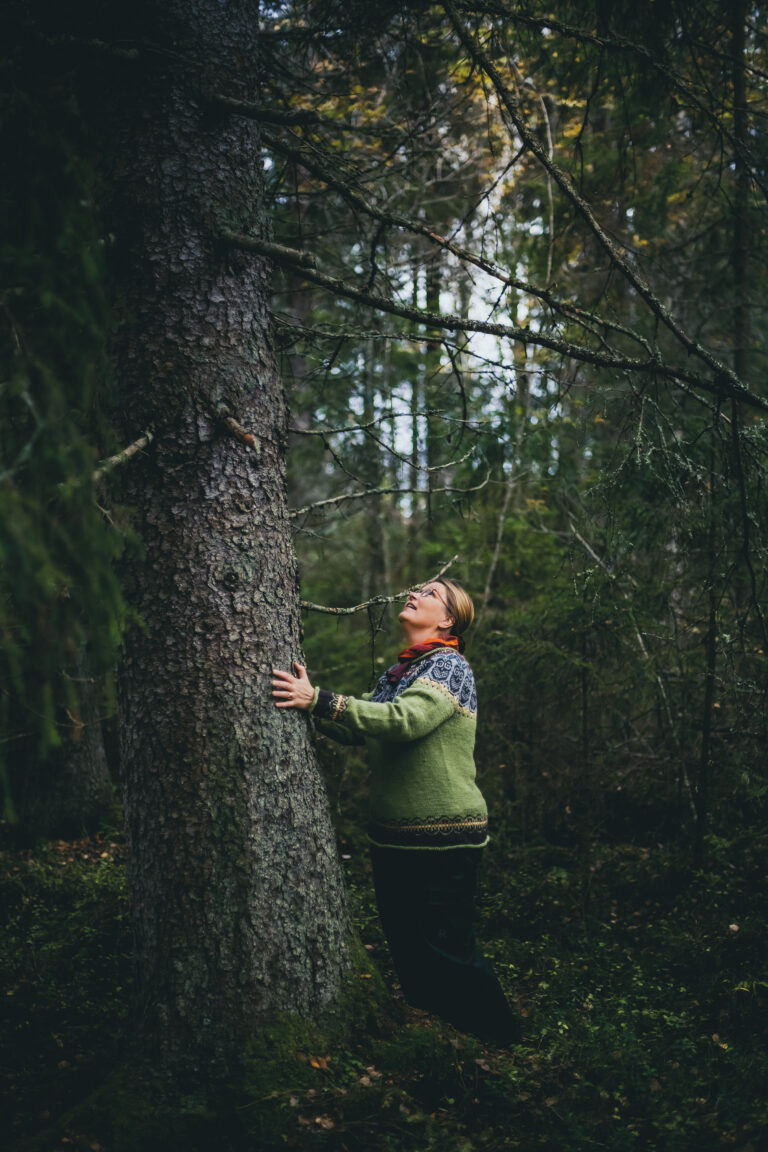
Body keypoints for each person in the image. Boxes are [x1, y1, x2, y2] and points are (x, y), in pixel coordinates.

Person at [271, 577, 521, 1048]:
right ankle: (445, 1043)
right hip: (393, 839)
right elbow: (360, 729)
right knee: (410, 952)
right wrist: (303, 704)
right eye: (417, 589)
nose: (415, 594)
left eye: (430, 593)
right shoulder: (400, 671)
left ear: (448, 619)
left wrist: (321, 699)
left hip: (445, 839)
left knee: (448, 951)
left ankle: (501, 1042)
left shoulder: (448, 667)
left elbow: (405, 722)